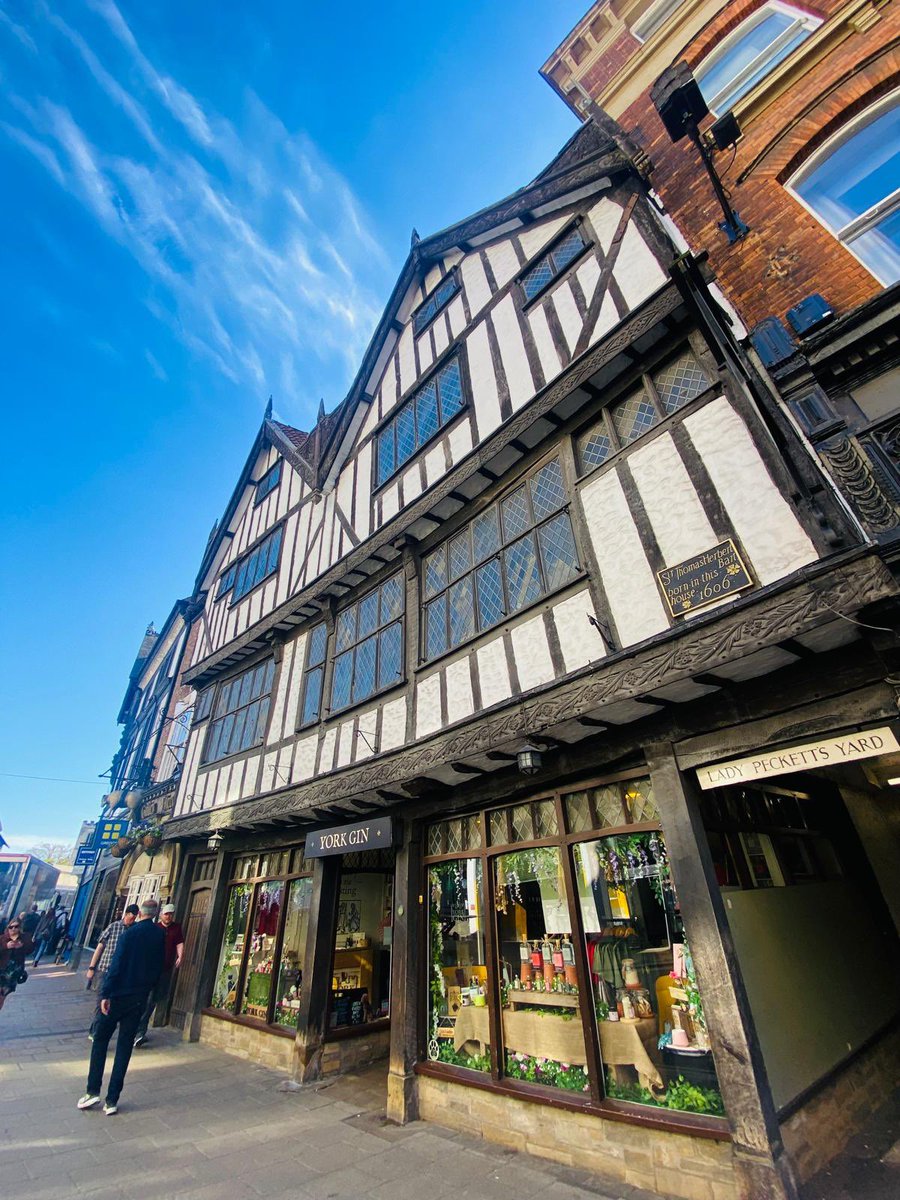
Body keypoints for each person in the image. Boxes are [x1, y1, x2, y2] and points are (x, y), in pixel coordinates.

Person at [77, 898, 164, 1115]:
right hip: (138, 997)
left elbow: (117, 963)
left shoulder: (130, 933)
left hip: (117, 994)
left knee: (100, 1041)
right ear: (155, 913)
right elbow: (158, 966)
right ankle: (112, 1099)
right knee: (124, 1047)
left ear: (140, 913)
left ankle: (92, 1090)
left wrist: (105, 992)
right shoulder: (158, 935)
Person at [133, 903, 184, 1047]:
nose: (169, 916)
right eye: (166, 914)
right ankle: (138, 1031)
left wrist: (180, 956)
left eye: (171, 914)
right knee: (147, 1000)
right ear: (160, 914)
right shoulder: (154, 928)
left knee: (154, 1000)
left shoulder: (176, 928)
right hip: (150, 970)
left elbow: (179, 942)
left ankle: (138, 1030)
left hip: (165, 970)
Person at [85, 905, 140, 1038]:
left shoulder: (135, 930)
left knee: (115, 1002)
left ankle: (103, 1029)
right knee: (101, 1000)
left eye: (134, 918)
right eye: (130, 918)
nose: (131, 921)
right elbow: (99, 948)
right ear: (126, 914)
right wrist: (91, 968)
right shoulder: (113, 926)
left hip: (122, 972)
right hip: (105, 969)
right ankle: (95, 1031)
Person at [0, 919, 34, 1014]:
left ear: (20, 928)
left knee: (2, 997)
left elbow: (30, 950)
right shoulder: (2, 938)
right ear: (8, 927)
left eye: (16, 926)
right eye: (11, 927)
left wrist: (22, 947)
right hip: (1, 970)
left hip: (13, 973)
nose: (13, 929)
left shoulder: (25, 938)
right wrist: (6, 946)